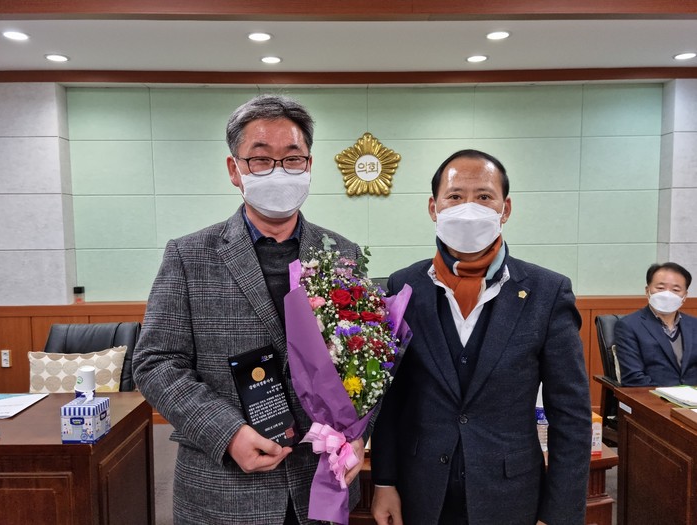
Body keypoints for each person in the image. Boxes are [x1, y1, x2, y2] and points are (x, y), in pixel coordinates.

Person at [133, 94, 365, 525]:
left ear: (309, 165)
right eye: (260, 159)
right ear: (234, 169)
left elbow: (367, 359)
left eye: (292, 159)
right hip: (225, 489)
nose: (279, 171)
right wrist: (227, 432)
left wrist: (357, 433)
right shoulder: (189, 255)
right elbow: (156, 362)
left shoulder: (342, 253)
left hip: (321, 481)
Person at [370, 149, 592, 525]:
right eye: (455, 196)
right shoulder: (403, 286)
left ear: (505, 209)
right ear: (433, 207)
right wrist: (384, 481)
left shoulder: (548, 291)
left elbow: (570, 414)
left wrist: (559, 515)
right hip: (420, 492)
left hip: (512, 496)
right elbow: (391, 398)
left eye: (484, 196)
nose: (469, 208)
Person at [615, 262, 697, 386]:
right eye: (660, 288)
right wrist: (667, 395)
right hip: (653, 395)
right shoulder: (628, 326)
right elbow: (633, 378)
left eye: (675, 290)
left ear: (685, 296)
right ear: (647, 290)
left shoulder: (694, 324)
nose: (667, 294)